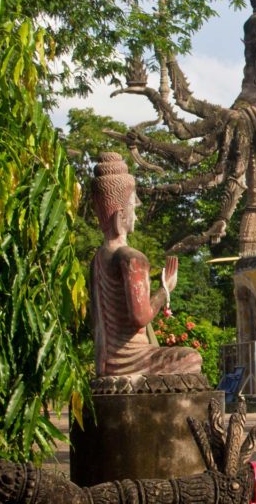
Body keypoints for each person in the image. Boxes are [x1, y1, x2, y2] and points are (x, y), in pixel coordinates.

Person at [90, 152, 202, 377]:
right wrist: (165, 289)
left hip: (104, 360)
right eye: (134, 207)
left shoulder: (96, 261)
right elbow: (139, 318)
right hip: (131, 361)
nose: (136, 215)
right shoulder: (132, 258)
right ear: (119, 215)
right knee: (192, 358)